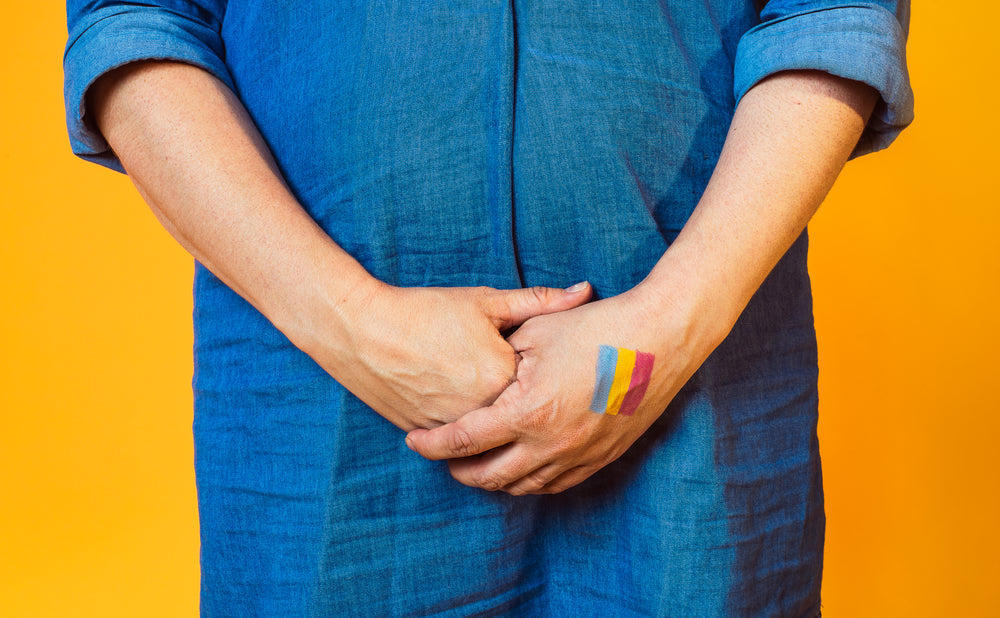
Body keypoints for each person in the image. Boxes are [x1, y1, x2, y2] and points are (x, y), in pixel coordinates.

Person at [64, 1, 913, 615]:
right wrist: (352, 322)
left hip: (688, 410)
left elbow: (833, 12)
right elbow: (134, 20)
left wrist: (660, 332)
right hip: (323, 418)